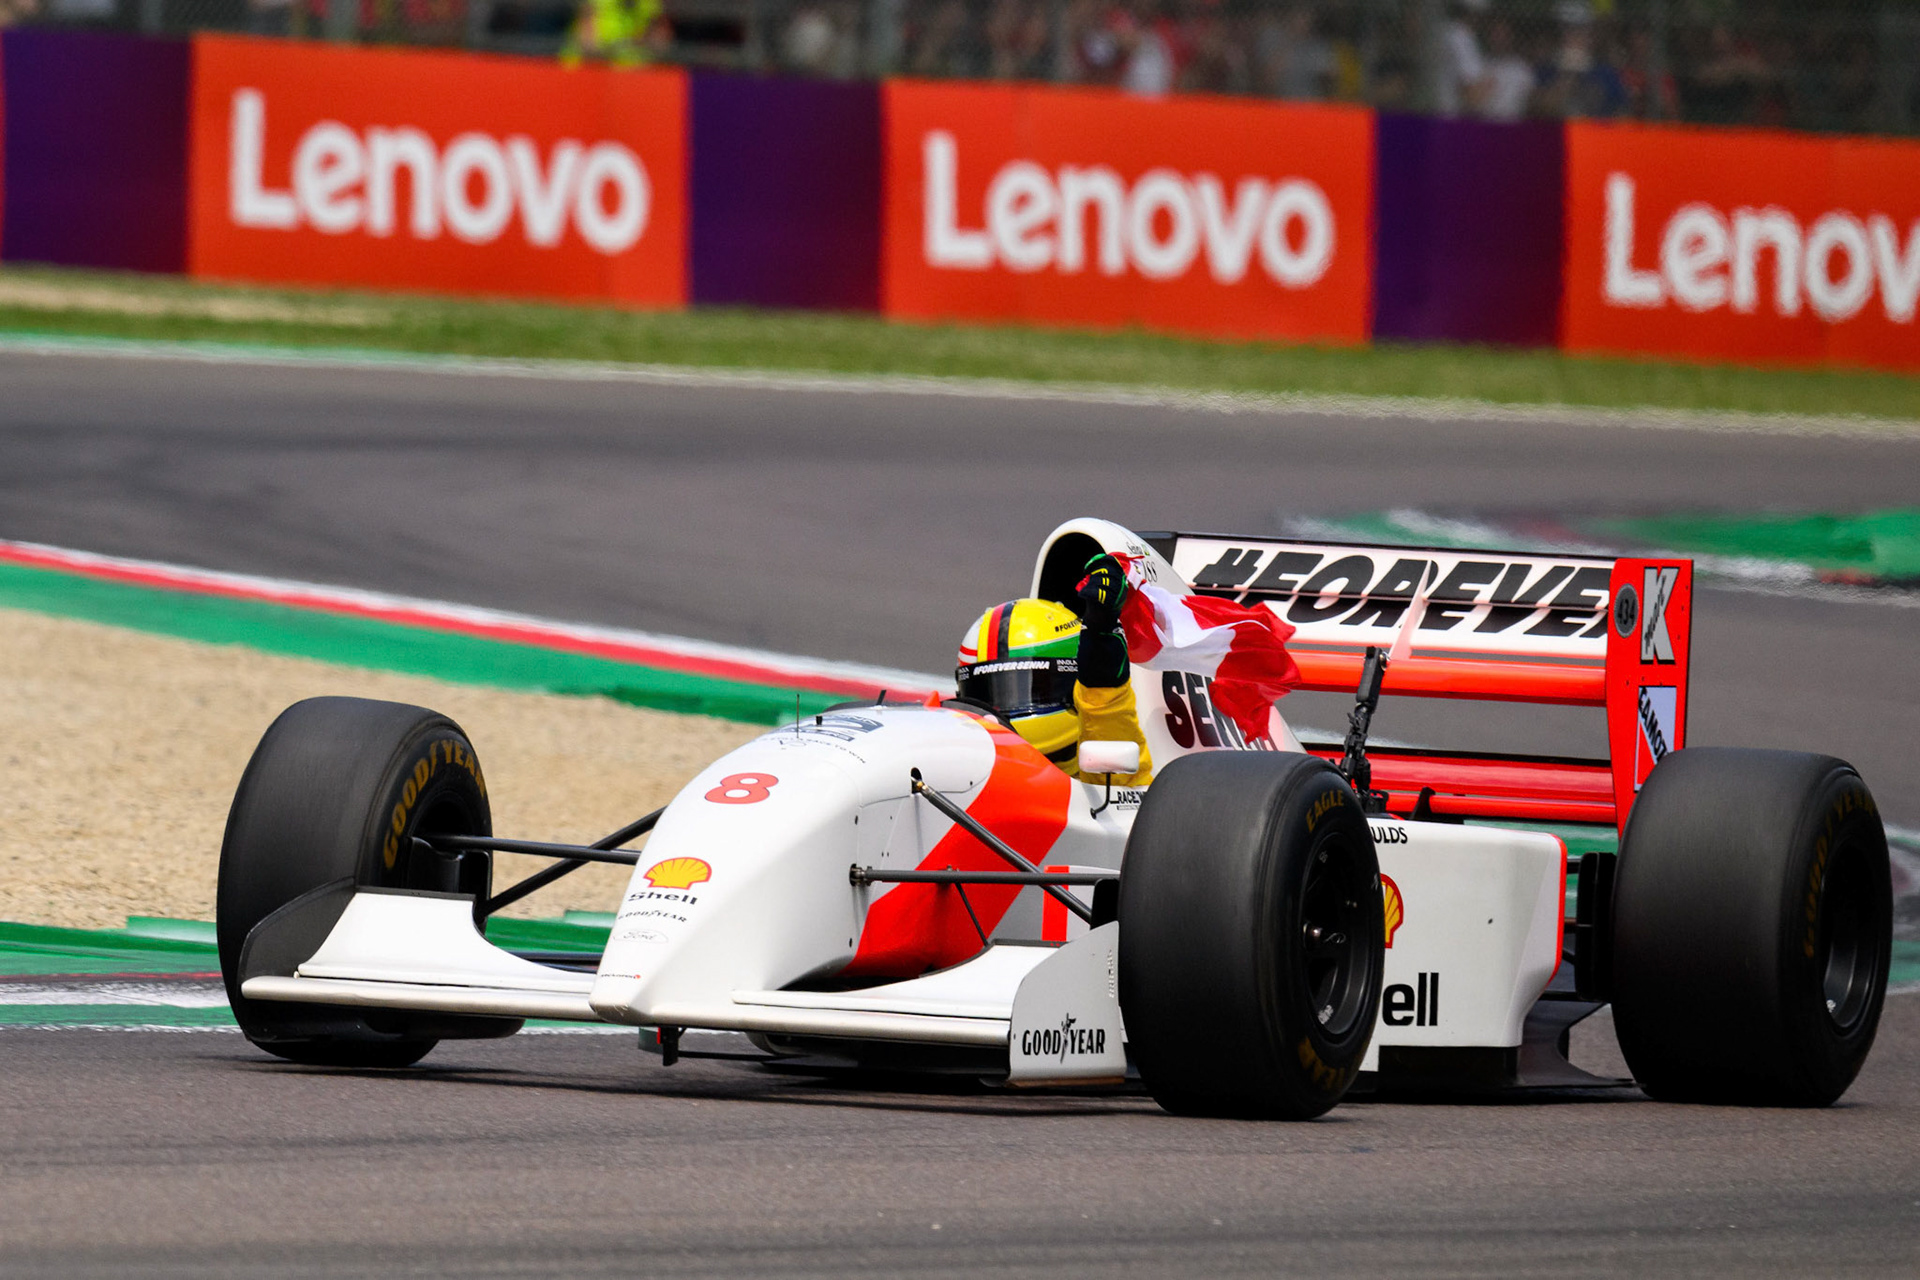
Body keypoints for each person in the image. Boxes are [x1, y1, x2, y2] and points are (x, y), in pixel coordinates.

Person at [954, 554, 1153, 787]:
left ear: (1075, 687)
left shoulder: (1107, 780)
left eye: (1034, 687)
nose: (1005, 711)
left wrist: (1101, 674)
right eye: (988, 695)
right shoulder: (948, 776)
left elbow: (1107, 724)